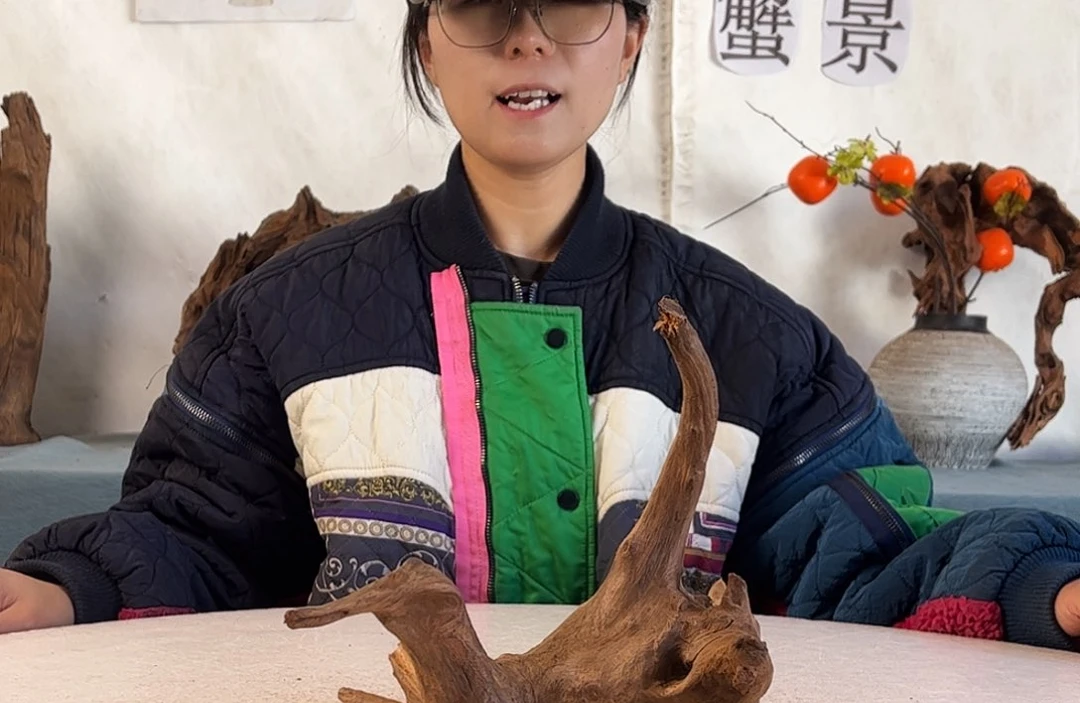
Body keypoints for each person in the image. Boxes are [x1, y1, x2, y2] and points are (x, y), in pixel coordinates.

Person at [2, 0, 1078, 649]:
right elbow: (198, 535)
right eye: (480, 6)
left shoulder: (753, 335)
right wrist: (68, 586)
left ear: (630, 41)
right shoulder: (283, 313)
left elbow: (876, 555)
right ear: (429, 44)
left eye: (569, 4)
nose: (526, 41)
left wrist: (1047, 590)